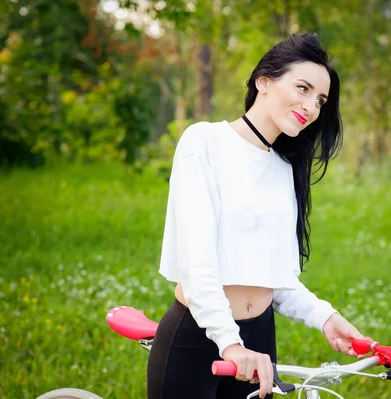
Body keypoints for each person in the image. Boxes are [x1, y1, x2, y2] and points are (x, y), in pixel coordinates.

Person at [147, 33, 365, 399]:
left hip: (259, 340)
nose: (312, 106)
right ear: (264, 81)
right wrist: (230, 344)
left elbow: (274, 277)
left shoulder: (285, 167)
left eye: (320, 100)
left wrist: (326, 317)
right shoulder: (204, 143)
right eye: (303, 88)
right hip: (199, 338)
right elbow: (197, 264)